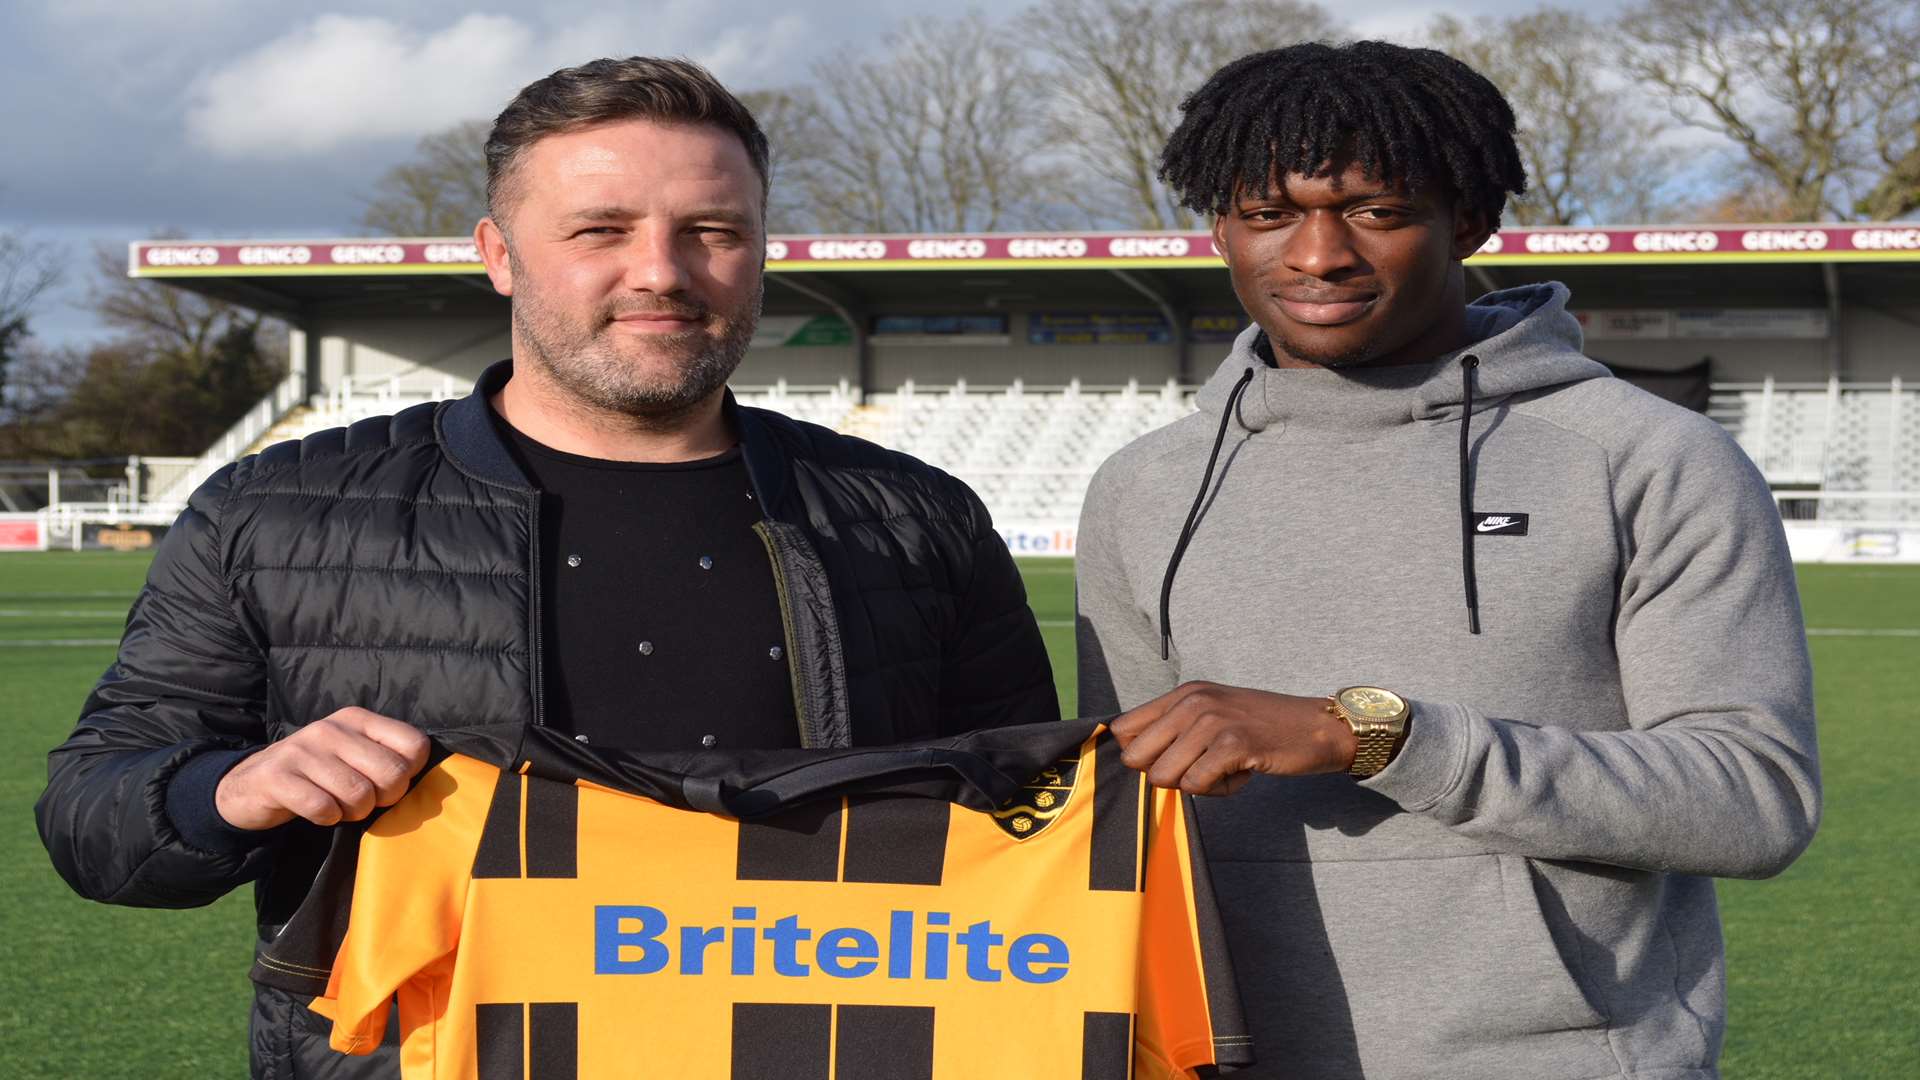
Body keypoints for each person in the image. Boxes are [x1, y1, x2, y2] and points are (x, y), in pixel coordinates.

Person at [37, 56, 1057, 1079]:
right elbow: (94, 816)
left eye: (713, 230)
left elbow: (1033, 818)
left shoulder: (916, 519)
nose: (662, 271)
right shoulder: (272, 512)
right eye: (599, 229)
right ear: (499, 253)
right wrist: (227, 789)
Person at [1074, 41, 1819, 1080]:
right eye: (1269, 213)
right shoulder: (1141, 487)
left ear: (1467, 220)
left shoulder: (1649, 459)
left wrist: (1374, 736)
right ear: (1220, 230)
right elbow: (1124, 817)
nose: (1319, 253)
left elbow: (1752, 798)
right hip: (1222, 1059)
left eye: (1376, 211)